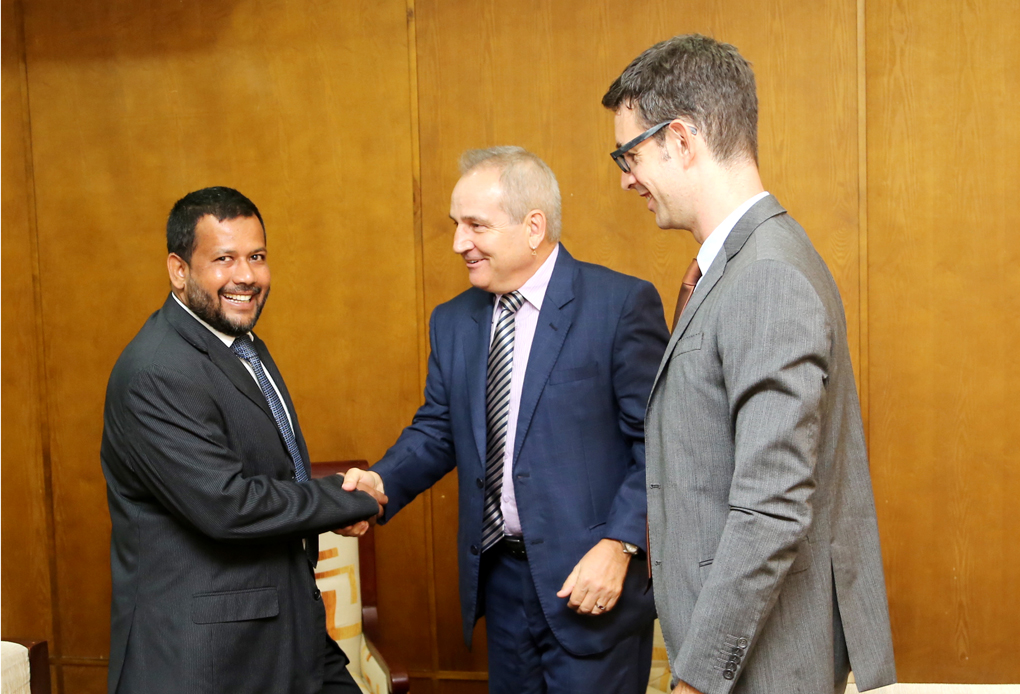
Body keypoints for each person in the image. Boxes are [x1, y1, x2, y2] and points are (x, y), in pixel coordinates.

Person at [602, 35, 896, 694]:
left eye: (629, 153)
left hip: (766, 664)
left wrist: (695, 682)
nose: (624, 177)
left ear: (681, 140)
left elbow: (770, 510)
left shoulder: (767, 276)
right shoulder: (741, 263)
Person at [341, 147, 669, 693]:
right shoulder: (453, 321)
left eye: (476, 226)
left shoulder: (618, 305)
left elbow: (657, 443)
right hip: (504, 583)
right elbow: (439, 429)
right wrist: (380, 481)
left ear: (533, 226)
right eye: (456, 225)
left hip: (591, 583)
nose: (458, 243)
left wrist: (620, 546)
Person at [100, 186, 386, 694]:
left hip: (287, 632)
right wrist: (345, 496)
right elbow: (227, 505)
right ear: (178, 270)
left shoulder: (241, 344)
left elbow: (274, 474)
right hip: (208, 660)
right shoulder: (156, 371)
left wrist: (340, 502)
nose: (246, 276)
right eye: (223, 259)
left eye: (256, 257)